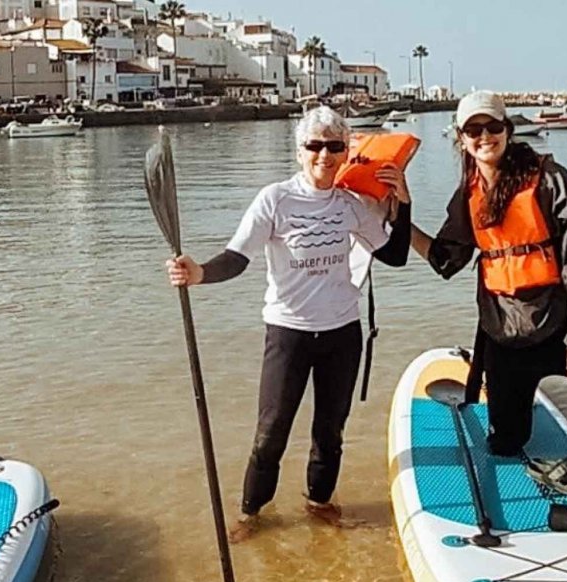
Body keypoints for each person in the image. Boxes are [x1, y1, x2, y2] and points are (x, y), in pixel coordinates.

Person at [167, 106, 413, 542]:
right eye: (315, 146)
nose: (325, 155)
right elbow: (237, 258)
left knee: (330, 430)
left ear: (345, 153)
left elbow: (393, 255)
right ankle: (251, 514)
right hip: (288, 332)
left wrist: (403, 204)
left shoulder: (351, 205)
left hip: (342, 333)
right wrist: (199, 272)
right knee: (270, 432)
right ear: (300, 151)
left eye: (335, 147)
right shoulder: (275, 199)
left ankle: (319, 503)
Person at [409, 91, 567, 517]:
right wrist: (398, 217)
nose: (485, 137)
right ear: (461, 138)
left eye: (493, 127)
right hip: (506, 337)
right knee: (506, 442)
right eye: (473, 130)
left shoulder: (553, 180)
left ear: (508, 129)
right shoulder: (468, 194)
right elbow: (447, 260)